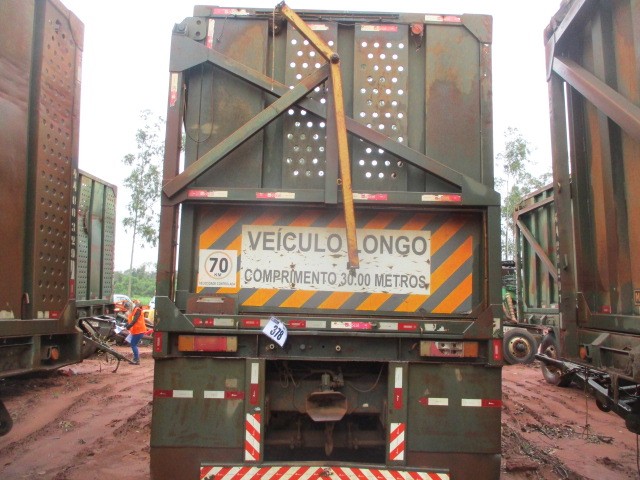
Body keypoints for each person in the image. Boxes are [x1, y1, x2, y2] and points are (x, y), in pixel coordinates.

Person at [125, 299, 146, 364]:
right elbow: (131, 320)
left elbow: (134, 321)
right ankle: (135, 359)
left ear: (130, 306)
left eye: (127, 308)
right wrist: (127, 324)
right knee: (133, 344)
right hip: (135, 330)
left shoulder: (137, 310)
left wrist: (128, 326)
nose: (127, 310)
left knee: (133, 344)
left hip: (139, 330)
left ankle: (136, 360)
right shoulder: (133, 311)